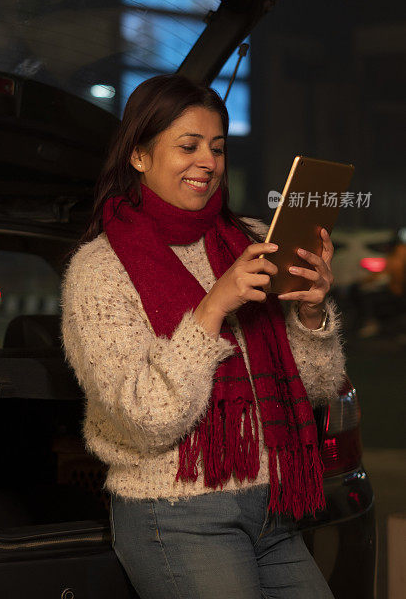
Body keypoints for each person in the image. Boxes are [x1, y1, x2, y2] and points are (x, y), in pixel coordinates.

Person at [61, 74, 345, 599]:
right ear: (140, 156)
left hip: (276, 508)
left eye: (217, 147)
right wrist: (212, 306)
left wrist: (309, 311)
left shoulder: (254, 240)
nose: (208, 162)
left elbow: (317, 386)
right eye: (188, 146)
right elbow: (145, 419)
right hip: (176, 516)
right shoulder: (99, 269)